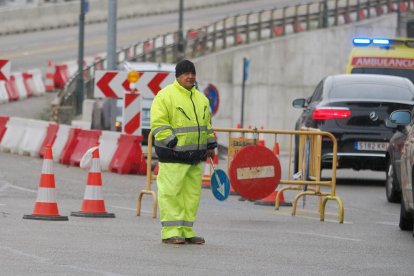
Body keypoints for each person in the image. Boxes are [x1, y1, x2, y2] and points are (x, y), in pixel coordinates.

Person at [150, 59, 217, 245]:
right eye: (186, 73)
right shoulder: (165, 96)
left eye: (192, 73)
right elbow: (158, 123)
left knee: (191, 196)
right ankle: (171, 232)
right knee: (171, 194)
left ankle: (187, 230)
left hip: (195, 157)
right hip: (173, 157)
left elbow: (207, 126)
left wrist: (210, 145)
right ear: (177, 76)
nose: (190, 76)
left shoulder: (201, 99)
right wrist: (172, 142)